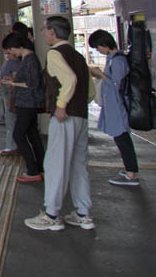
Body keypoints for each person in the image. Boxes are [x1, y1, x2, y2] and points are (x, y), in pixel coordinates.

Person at [25, 16, 96, 231]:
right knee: (78, 165)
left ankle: (51, 215)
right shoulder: (77, 55)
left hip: (63, 117)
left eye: (45, 30)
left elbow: (70, 80)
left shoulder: (55, 53)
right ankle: (83, 214)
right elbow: (90, 91)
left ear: (53, 32)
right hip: (81, 116)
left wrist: (62, 104)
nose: (44, 34)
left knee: (56, 164)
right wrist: (77, 106)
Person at [88, 29, 140, 186]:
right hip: (115, 106)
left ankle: (131, 174)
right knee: (121, 138)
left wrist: (100, 74)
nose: (98, 51)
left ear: (104, 44)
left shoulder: (118, 61)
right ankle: (130, 170)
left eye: (98, 47)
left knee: (122, 138)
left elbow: (117, 85)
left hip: (118, 106)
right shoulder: (114, 59)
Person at [1, 32, 46, 182]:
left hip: (28, 102)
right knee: (32, 134)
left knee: (18, 135)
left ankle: (33, 171)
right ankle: (41, 168)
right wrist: (13, 80)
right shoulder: (27, 58)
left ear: (18, 46)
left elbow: (33, 83)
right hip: (27, 102)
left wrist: (12, 83)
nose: (10, 53)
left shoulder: (30, 59)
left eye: (10, 49)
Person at [0, 43, 20, 157]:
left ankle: (12, 147)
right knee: (10, 119)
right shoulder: (10, 62)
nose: (6, 54)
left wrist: (10, 90)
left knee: (11, 120)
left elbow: (14, 79)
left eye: (8, 51)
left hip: (10, 94)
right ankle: (12, 145)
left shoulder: (13, 63)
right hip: (8, 93)